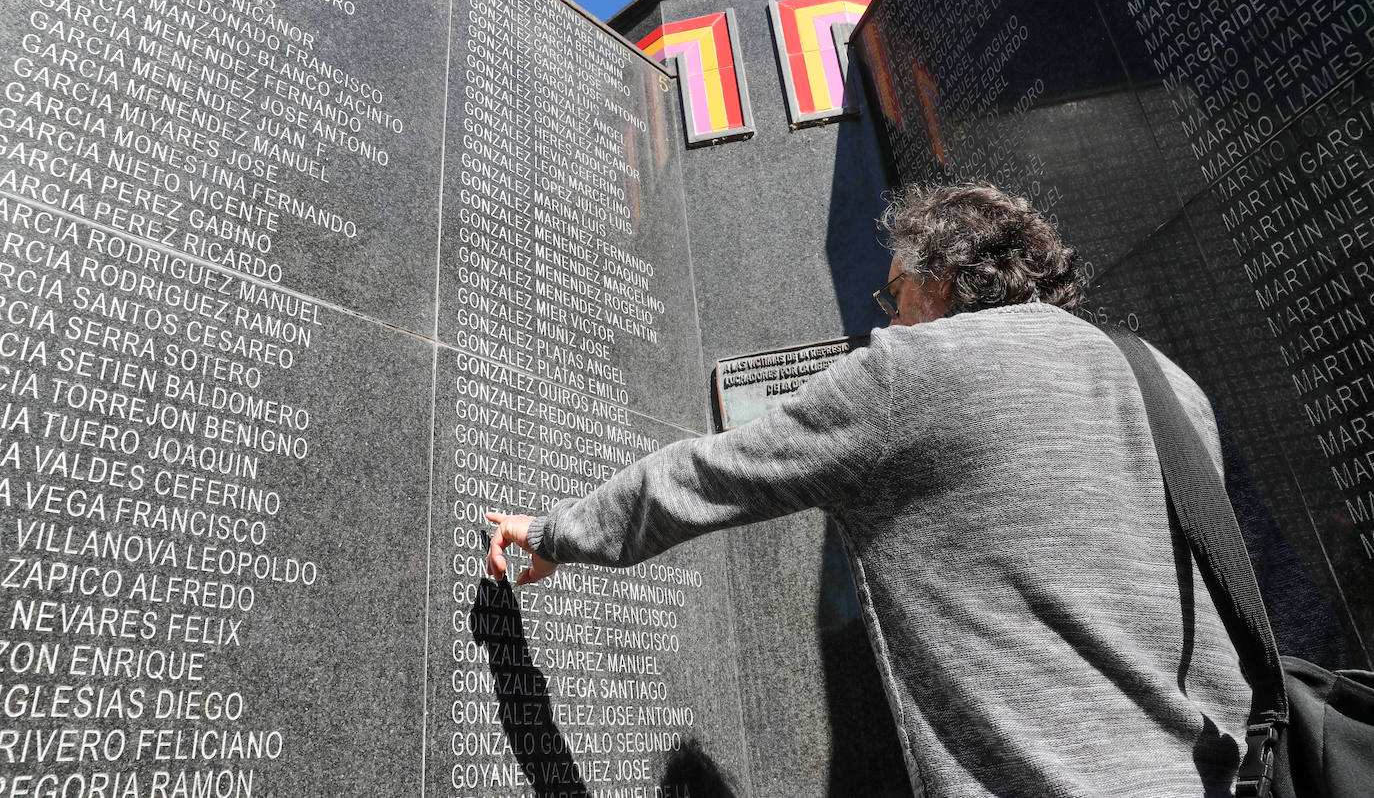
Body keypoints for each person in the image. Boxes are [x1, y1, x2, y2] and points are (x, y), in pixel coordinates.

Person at [485, 181, 1262, 796]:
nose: (889, 318)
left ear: (947, 281)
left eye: (897, 294)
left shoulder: (915, 373)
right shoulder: (1167, 381)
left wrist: (552, 533)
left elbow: (707, 473)